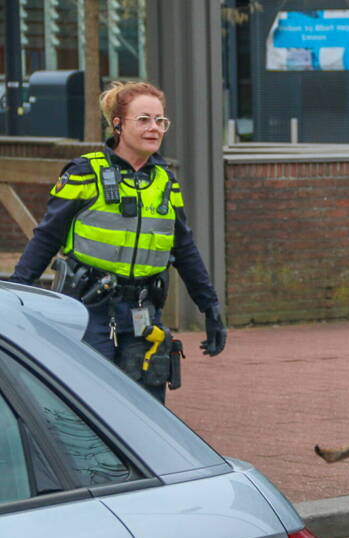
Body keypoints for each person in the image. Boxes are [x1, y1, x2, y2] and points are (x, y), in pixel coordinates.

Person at [9, 80, 226, 402]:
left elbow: (183, 248)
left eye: (160, 120)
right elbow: (47, 236)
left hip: (143, 310)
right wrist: (16, 295)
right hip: (88, 308)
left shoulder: (166, 181)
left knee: (147, 404)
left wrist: (209, 306)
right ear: (118, 124)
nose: (154, 128)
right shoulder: (86, 172)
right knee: (90, 402)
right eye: (143, 119)